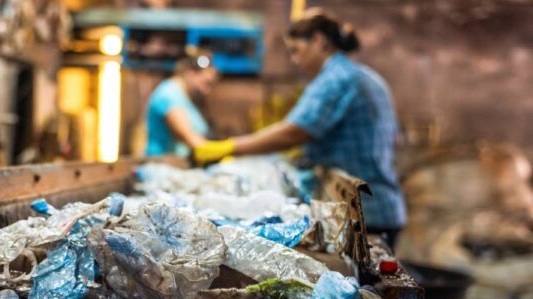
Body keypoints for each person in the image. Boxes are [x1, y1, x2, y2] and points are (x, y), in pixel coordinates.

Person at [194, 9, 406, 248]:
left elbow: (295, 131)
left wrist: (230, 147)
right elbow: (396, 139)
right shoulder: (364, 75)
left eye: (296, 50)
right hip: (380, 205)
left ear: (318, 40)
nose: (294, 60)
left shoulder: (337, 78)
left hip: (367, 213)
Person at [144, 51, 220, 157]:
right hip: (162, 165)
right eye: (206, 83)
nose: (207, 91)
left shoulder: (188, 98)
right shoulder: (169, 94)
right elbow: (191, 140)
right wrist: (233, 148)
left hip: (179, 165)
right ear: (190, 73)